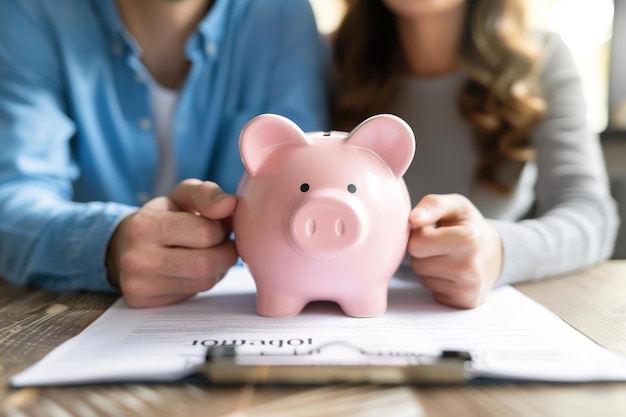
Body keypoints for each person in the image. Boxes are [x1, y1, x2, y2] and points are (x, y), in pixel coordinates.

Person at [0, 0, 328, 307]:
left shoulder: (282, 13)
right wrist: (108, 244)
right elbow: (13, 198)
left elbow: (296, 189)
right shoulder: (32, 11)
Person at [331, 0, 619, 308]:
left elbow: (591, 215)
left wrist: (500, 250)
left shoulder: (541, 58)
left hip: (485, 313)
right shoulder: (328, 60)